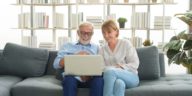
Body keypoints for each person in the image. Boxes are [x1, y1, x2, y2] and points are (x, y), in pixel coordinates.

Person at [53, 22, 103, 96]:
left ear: (92, 34)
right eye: (83, 32)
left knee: (99, 80)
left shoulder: (97, 48)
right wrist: (75, 56)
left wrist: (89, 75)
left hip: (90, 78)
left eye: (88, 33)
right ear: (78, 33)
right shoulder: (67, 46)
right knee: (69, 80)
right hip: (73, 77)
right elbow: (56, 64)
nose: (86, 35)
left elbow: (101, 67)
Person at [99, 19, 140, 96]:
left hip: (131, 77)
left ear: (116, 32)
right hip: (115, 80)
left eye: (109, 32)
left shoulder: (125, 43)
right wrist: (115, 67)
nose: (106, 35)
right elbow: (101, 68)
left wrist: (121, 67)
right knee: (119, 84)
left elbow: (135, 63)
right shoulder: (102, 49)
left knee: (110, 72)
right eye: (103, 33)